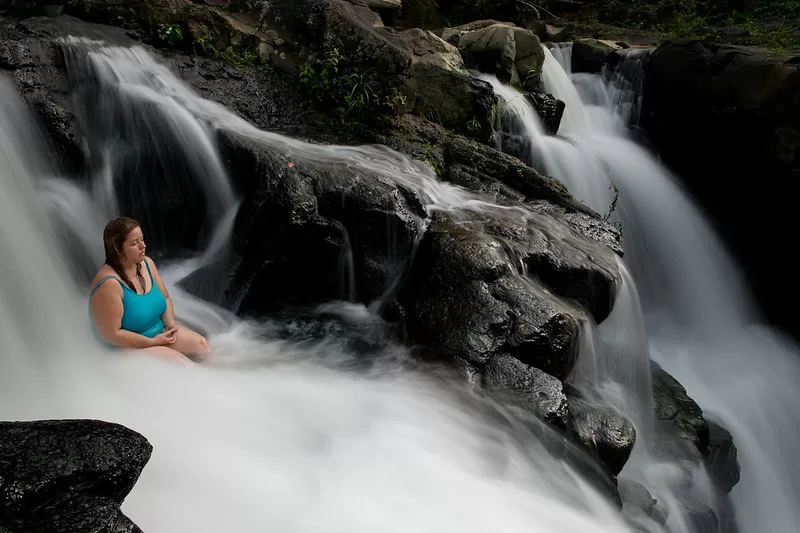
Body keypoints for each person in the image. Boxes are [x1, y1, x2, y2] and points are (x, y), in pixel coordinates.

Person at [89, 216, 209, 364]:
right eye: (134, 243)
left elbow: (164, 297)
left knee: (201, 345)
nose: (143, 246)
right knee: (182, 365)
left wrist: (170, 325)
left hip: (158, 333)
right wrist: (152, 342)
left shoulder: (146, 264)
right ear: (118, 249)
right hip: (126, 348)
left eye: (142, 239)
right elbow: (111, 335)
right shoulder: (109, 284)